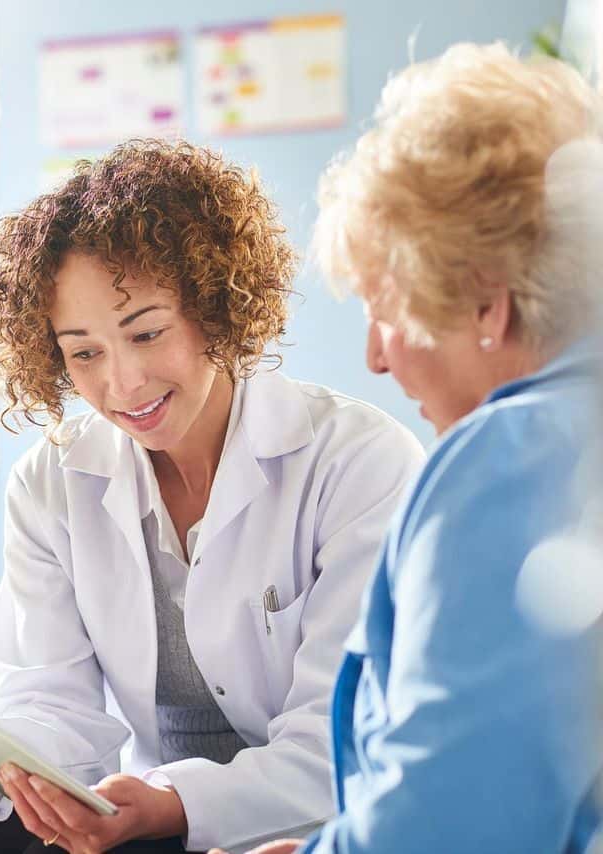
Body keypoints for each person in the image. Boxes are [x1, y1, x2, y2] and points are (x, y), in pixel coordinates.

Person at [0, 139, 426, 853]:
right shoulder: (53, 483)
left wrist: (168, 802)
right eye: (84, 352)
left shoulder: (358, 462)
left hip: (308, 825)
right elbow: (55, 714)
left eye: (147, 333)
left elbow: (337, 746)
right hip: (137, 817)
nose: (123, 383)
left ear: (215, 306)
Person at [227, 43, 603, 854]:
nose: (375, 356)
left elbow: (453, 823)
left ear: (484, 303)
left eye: (383, 306)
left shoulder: (512, 457)